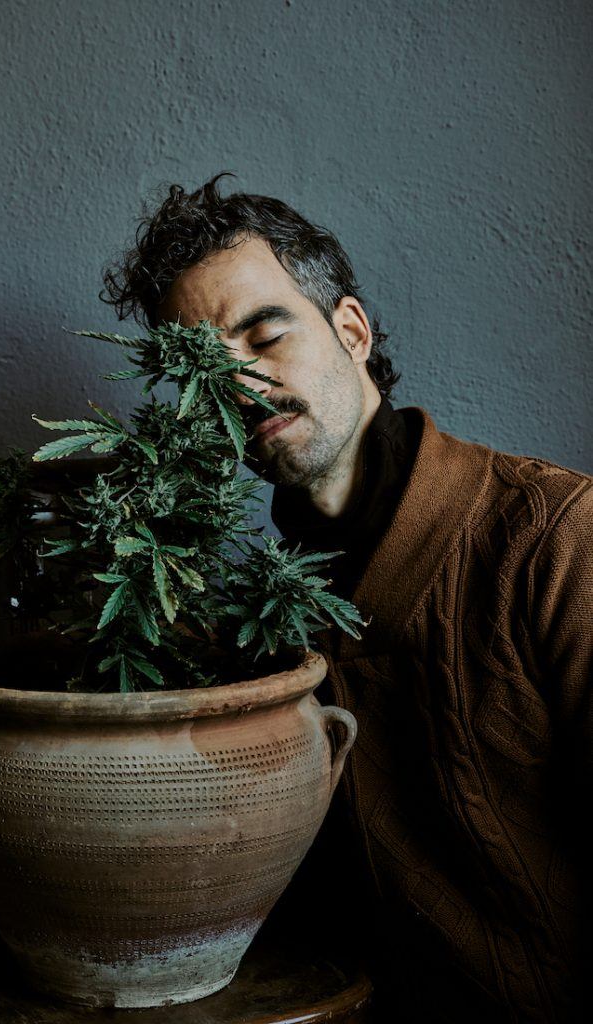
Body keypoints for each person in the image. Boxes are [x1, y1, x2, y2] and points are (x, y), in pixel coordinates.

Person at [101, 172, 592, 1023]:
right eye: (205, 370)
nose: (242, 387)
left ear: (352, 330)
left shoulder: (555, 539)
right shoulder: (255, 632)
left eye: (265, 335)